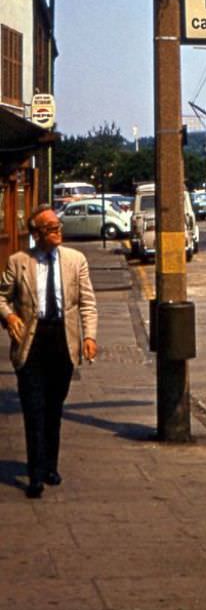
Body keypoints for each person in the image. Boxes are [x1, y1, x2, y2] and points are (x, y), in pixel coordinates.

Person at [0, 204, 98, 498]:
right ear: (37, 234)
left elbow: (87, 302)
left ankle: (50, 465)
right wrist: (9, 316)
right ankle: (35, 475)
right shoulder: (18, 262)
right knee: (33, 408)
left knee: (54, 407)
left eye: (58, 226)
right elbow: (1, 297)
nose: (59, 231)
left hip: (62, 341)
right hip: (31, 341)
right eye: (52, 228)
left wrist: (89, 336)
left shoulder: (75, 260)